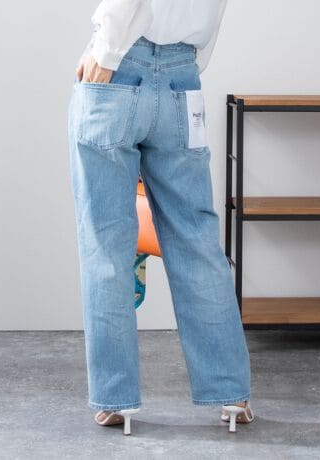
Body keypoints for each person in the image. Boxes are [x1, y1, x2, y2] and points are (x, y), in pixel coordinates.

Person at [68, 0, 253, 435]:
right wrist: (183, 65)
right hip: (181, 76)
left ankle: (116, 401)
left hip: (118, 68)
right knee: (196, 238)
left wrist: (106, 50)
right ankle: (232, 395)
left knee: (106, 242)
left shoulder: (112, 55)